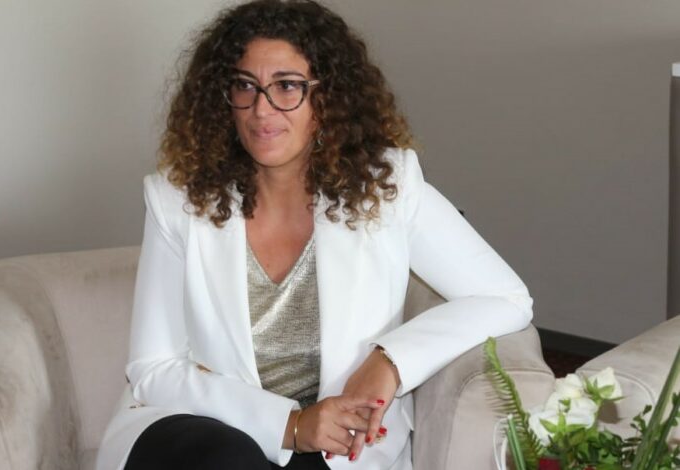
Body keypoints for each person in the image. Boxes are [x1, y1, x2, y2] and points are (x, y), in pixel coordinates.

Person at [95, 1, 533, 469]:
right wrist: (291, 425)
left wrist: (389, 361)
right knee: (231, 459)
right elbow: (154, 367)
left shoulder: (387, 186)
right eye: (245, 86)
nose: (261, 109)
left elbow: (505, 297)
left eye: (287, 86)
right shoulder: (177, 199)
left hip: (334, 445)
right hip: (203, 430)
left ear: (328, 99)